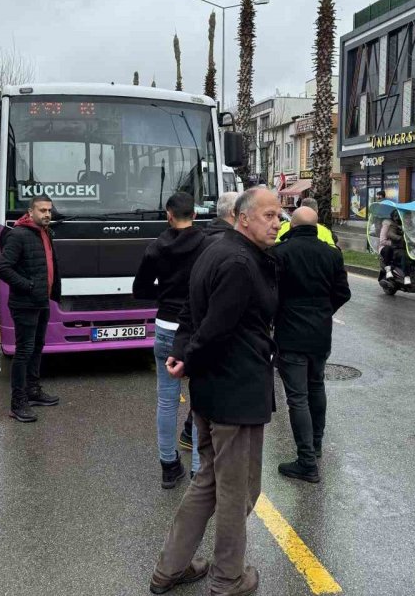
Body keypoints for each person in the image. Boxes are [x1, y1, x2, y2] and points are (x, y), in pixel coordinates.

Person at [149, 188, 281, 596]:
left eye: (281, 215)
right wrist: (189, 355)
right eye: (269, 215)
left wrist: (182, 354)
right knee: (238, 489)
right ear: (243, 218)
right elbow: (215, 328)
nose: (278, 222)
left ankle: (169, 569)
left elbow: (191, 312)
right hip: (235, 393)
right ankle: (228, 578)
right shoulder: (239, 261)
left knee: (208, 480)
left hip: (211, 391)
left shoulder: (213, 248)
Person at [133, 191, 209, 489]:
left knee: (166, 399)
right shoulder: (207, 244)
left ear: (168, 215)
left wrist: (164, 294)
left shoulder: (156, 247)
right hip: (197, 329)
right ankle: (198, 470)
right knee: (202, 400)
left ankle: (168, 465)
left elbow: (139, 289)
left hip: (166, 326)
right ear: (195, 213)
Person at [271, 207, 350, 483]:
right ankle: (315, 445)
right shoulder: (331, 254)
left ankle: (306, 461)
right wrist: (324, 311)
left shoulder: (280, 253)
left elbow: (271, 295)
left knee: (297, 397)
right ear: (317, 226)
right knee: (316, 386)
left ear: (291, 226)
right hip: (320, 333)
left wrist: (277, 317)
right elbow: (343, 292)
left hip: (290, 334)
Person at [178, 191, 239, 452]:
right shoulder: (230, 247)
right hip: (209, 332)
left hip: (191, 323)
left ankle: (191, 436)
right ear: (237, 215)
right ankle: (195, 440)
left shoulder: (203, 238)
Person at [0, 194, 62, 422]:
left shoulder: (43, 232)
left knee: (37, 347)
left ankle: (33, 392)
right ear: (30, 212)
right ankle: (18, 403)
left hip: (41, 301)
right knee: (23, 351)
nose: (47, 214)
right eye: (42, 210)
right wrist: (29, 286)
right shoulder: (19, 235)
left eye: (49, 210)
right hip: (25, 303)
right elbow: (3, 268)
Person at [380, 210, 412, 285]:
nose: (398, 218)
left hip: (405, 247)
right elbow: (390, 234)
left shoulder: (408, 225)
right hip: (393, 248)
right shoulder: (393, 225)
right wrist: (400, 238)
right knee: (404, 255)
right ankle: (406, 276)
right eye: (396, 216)